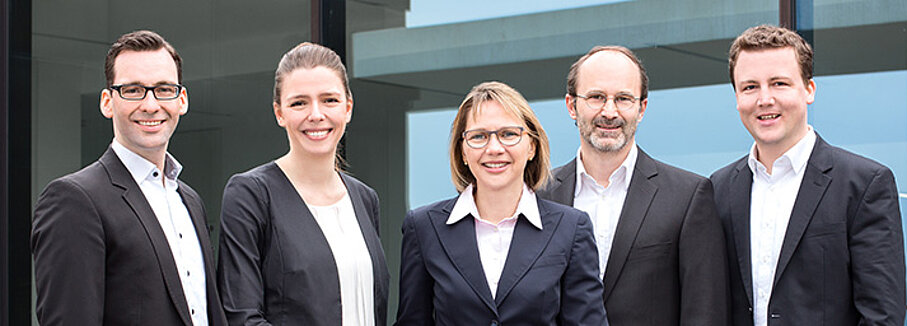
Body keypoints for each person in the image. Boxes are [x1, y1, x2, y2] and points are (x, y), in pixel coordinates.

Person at [710, 24, 906, 326]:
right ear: (736, 97)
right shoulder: (717, 189)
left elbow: (882, 315)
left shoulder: (865, 184)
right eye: (750, 87)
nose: (764, 99)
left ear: (809, 90)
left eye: (779, 83)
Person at [31, 30, 227, 326]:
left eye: (163, 89)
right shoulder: (74, 200)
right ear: (107, 102)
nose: (150, 105)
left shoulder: (189, 199)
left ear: (182, 100)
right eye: (133, 90)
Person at [538, 45, 728, 325]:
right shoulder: (538, 196)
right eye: (596, 97)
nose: (610, 112)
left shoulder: (688, 196)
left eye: (624, 99)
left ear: (642, 108)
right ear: (571, 106)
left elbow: (704, 313)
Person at [395, 81, 607, 325]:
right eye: (479, 136)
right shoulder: (423, 228)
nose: (494, 148)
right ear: (463, 152)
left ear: (532, 147)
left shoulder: (571, 229)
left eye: (509, 134)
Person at [216, 42, 389, 326]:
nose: (316, 114)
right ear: (279, 112)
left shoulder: (365, 198)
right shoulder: (250, 195)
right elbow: (241, 317)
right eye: (299, 103)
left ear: (348, 107)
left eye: (329, 100)